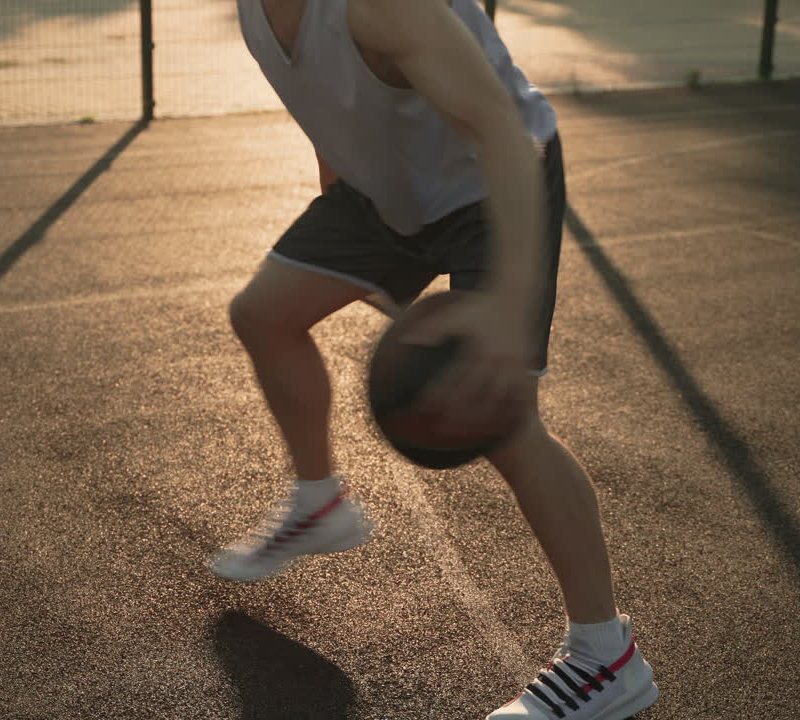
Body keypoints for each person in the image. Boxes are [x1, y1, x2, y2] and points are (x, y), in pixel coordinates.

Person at [209, 1, 659, 717]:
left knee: (503, 420)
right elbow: (330, 105)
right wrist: (346, 218)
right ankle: (318, 503)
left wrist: (506, 310)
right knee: (264, 313)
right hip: (388, 191)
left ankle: (607, 659)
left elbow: (503, 134)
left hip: (495, 181)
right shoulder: (257, 10)